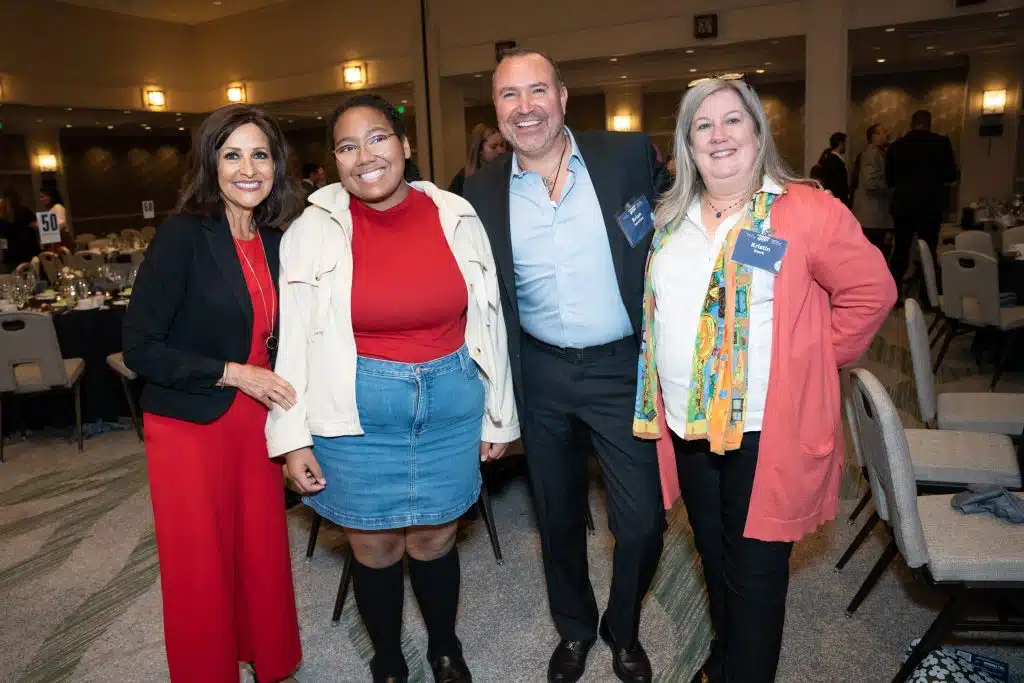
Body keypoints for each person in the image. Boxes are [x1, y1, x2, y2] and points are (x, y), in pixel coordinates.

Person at [632, 77, 896, 683]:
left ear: (758, 131)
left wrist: (810, 363)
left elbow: (871, 292)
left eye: (732, 121)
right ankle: (724, 658)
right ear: (688, 143)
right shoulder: (671, 219)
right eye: (703, 125)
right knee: (714, 554)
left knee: (754, 573)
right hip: (689, 425)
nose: (718, 135)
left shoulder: (805, 209)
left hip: (762, 429)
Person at [268, 93, 519, 683]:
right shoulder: (311, 229)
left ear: (405, 146)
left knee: (435, 536)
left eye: (377, 138)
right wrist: (291, 438)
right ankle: (386, 656)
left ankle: (445, 648)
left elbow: (490, 319)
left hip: (452, 403)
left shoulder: (455, 213)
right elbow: (296, 341)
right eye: (347, 146)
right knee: (372, 547)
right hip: (354, 411)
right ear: (333, 160)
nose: (365, 156)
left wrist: (500, 417)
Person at [463, 48, 667, 683]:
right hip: (541, 374)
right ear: (495, 110)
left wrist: (778, 193)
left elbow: (701, 204)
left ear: (563, 97)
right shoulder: (480, 190)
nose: (525, 108)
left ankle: (623, 627)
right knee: (555, 517)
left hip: (620, 370)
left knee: (642, 522)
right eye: (509, 96)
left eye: (537, 91)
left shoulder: (626, 157)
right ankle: (575, 629)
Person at [123, 104, 304, 683]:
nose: (247, 168)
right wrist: (234, 373)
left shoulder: (278, 240)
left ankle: (267, 657)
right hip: (190, 426)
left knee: (260, 550)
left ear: (276, 164)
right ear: (211, 164)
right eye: (232, 155)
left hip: (258, 424)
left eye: (260, 154)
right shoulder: (182, 236)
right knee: (200, 564)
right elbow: (141, 349)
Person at [885, 109, 958, 300]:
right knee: (929, 250)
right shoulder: (941, 144)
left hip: (903, 204)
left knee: (900, 250)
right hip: (930, 205)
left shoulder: (896, 146)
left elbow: (890, 180)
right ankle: (928, 296)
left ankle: (893, 295)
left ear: (911, 123)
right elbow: (951, 175)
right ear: (929, 123)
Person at [852, 123, 893, 259]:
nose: (887, 134)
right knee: (875, 257)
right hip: (872, 215)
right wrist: (892, 189)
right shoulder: (872, 153)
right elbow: (870, 182)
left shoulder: (877, 153)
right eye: (883, 132)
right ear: (873, 136)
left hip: (873, 216)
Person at [447, 123, 506, 196]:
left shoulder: (508, 173)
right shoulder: (463, 178)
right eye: (493, 147)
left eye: (502, 145)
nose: (500, 151)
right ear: (480, 150)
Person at [0, 191, 38, 270]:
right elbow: (35, 225)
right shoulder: (22, 211)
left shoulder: (22, 211)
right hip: (23, 250)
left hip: (15, 252)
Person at [816, 132, 850, 206]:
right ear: (841, 143)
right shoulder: (835, 161)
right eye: (845, 143)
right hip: (837, 200)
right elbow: (838, 184)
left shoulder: (830, 159)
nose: (846, 146)